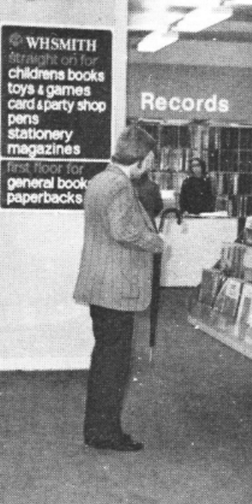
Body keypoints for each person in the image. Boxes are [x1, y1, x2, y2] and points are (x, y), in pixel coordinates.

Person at [73, 125, 165, 452]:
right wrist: (156, 242)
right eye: (150, 159)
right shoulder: (121, 187)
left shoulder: (99, 181)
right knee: (113, 366)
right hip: (117, 288)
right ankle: (105, 433)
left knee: (104, 360)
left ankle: (97, 428)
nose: (151, 165)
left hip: (100, 284)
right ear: (139, 158)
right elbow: (124, 232)